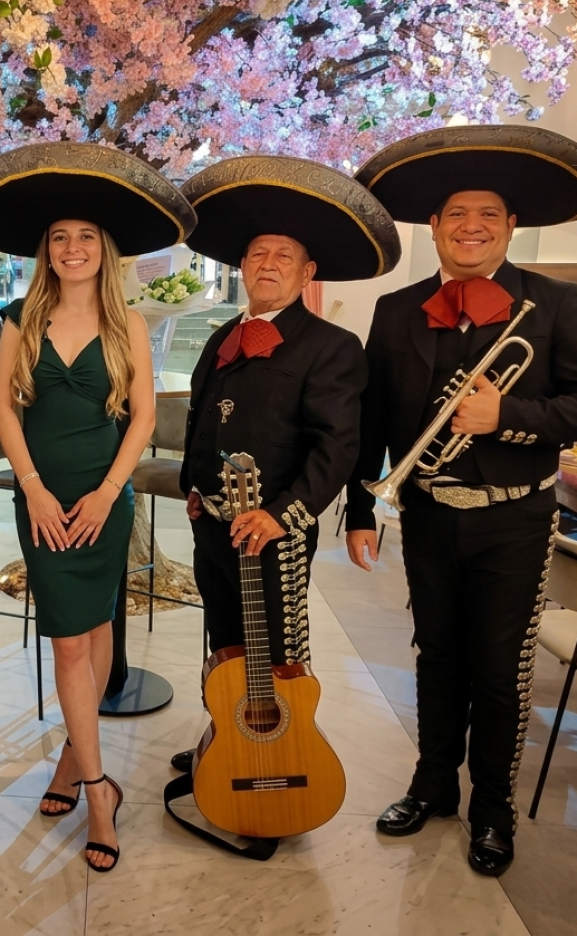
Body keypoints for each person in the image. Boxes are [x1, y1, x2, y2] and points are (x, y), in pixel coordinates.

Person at [345, 125, 577, 877]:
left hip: (516, 515)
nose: (471, 227)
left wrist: (505, 415)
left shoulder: (556, 304)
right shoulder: (396, 308)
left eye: (487, 215)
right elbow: (373, 417)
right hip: (428, 511)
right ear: (435, 226)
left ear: (510, 226)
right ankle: (434, 784)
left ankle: (493, 809)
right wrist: (359, 508)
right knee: (436, 653)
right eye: (456, 215)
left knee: (500, 669)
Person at [0, 143, 195, 871]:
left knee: (94, 632)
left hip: (104, 499)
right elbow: (4, 408)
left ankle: (72, 764)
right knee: (67, 641)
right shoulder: (21, 319)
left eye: (85, 236)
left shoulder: (130, 325)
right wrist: (31, 486)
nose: (72, 248)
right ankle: (100, 789)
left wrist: (107, 492)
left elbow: (143, 419)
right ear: (46, 251)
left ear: (104, 249)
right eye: (59, 237)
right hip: (42, 501)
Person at [169, 155, 400, 779]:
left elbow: (337, 447)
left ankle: (276, 753)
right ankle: (226, 737)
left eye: (283, 256)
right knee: (224, 644)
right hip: (214, 527)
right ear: (242, 265)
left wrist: (280, 515)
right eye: (258, 254)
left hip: (276, 532)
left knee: (277, 654)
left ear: (307, 272)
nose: (267, 264)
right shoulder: (223, 335)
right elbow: (203, 418)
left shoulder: (332, 347)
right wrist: (194, 487)